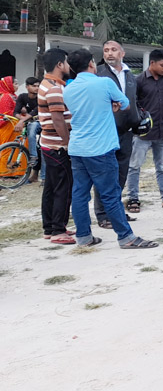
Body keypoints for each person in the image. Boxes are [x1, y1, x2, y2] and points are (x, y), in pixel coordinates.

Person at [63, 49, 157, 249]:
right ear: (91, 64)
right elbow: (125, 104)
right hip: (100, 147)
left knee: (80, 193)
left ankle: (84, 236)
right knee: (110, 193)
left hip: (78, 147)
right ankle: (126, 237)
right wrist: (111, 105)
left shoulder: (68, 88)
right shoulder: (104, 83)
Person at [125, 49, 163, 212]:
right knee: (135, 166)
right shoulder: (138, 81)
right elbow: (133, 104)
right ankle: (133, 198)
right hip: (143, 132)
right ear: (152, 63)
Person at [94, 40, 140, 228]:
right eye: (106, 50)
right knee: (105, 173)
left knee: (121, 173)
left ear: (122, 52)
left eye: (113, 50)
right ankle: (102, 214)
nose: (109, 53)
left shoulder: (130, 75)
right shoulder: (98, 74)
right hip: (105, 131)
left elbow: (134, 100)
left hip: (126, 131)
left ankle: (116, 211)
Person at [38, 49, 75, 244]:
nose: (69, 67)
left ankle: (50, 227)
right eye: (67, 63)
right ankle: (58, 230)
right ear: (60, 64)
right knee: (63, 187)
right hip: (57, 146)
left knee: (52, 187)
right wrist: (68, 143)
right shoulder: (54, 88)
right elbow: (58, 119)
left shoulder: (47, 84)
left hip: (49, 144)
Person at [14, 76, 41, 182]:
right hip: (29, 123)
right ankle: (33, 175)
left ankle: (33, 156)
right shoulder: (22, 97)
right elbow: (15, 112)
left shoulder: (41, 97)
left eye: (38, 86)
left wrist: (22, 120)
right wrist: (22, 119)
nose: (37, 88)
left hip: (41, 123)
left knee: (32, 127)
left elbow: (35, 112)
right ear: (27, 87)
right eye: (34, 86)